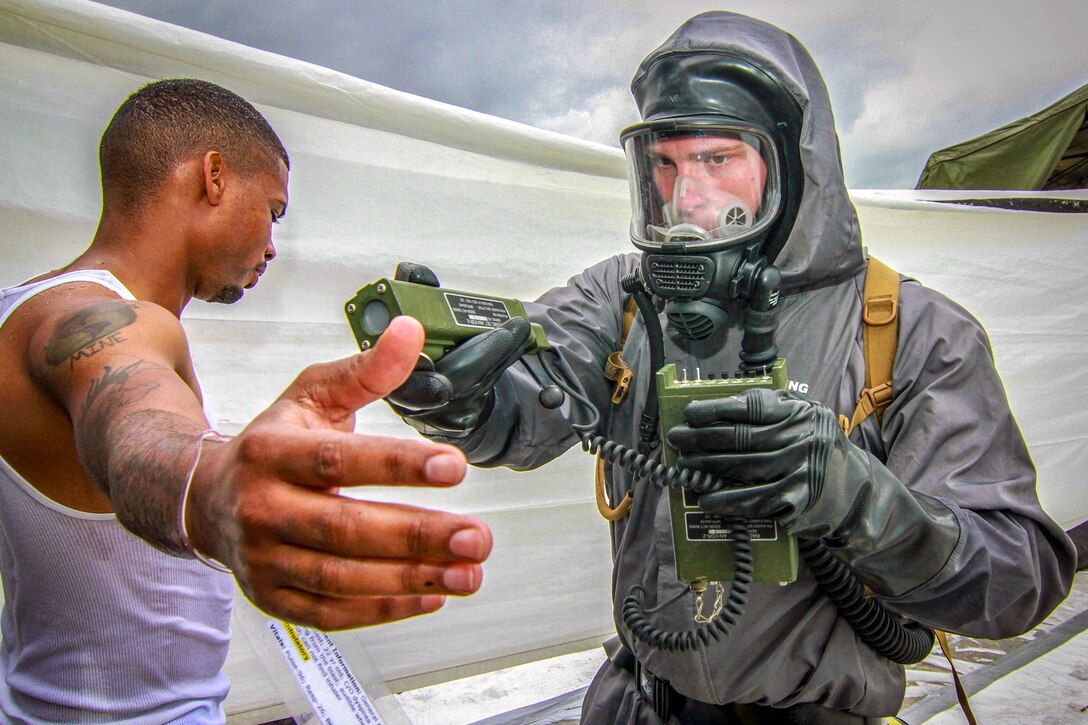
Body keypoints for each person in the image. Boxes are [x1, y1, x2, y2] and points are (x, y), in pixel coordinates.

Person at [385, 12, 1076, 724]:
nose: (686, 195)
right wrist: (469, 399)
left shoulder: (911, 330)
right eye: (666, 163)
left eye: (716, 159)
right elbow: (533, 392)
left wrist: (859, 500)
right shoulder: (624, 298)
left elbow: (1018, 582)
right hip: (638, 706)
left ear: (788, 165)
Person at [0, 78, 492, 723]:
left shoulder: (26, 305)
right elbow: (133, 423)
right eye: (273, 210)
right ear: (213, 177)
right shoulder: (94, 320)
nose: (271, 246)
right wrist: (212, 490)